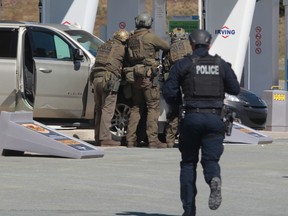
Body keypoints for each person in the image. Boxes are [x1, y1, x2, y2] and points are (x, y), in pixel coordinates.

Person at [162, 29, 240, 216]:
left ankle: (189, 211)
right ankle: (213, 178)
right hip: (215, 119)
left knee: (188, 163)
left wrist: (177, 106)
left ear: (191, 44)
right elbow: (235, 89)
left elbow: (169, 92)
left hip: (191, 118)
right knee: (210, 160)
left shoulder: (183, 64)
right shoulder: (221, 65)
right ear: (209, 45)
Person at [125, 12, 170, 148]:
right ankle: (153, 140)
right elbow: (166, 47)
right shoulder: (150, 36)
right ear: (149, 23)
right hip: (149, 76)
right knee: (153, 107)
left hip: (134, 76)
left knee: (136, 107)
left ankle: (130, 140)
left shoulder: (131, 38)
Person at [90, 29, 130, 147]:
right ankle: (105, 138)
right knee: (107, 110)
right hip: (108, 80)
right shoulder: (122, 49)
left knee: (98, 110)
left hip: (96, 78)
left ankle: (97, 137)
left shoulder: (103, 46)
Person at [162, 27, 192, 148]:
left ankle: (170, 139)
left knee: (174, 110)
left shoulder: (169, 48)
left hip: (174, 81)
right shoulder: (191, 46)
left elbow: (165, 67)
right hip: (190, 81)